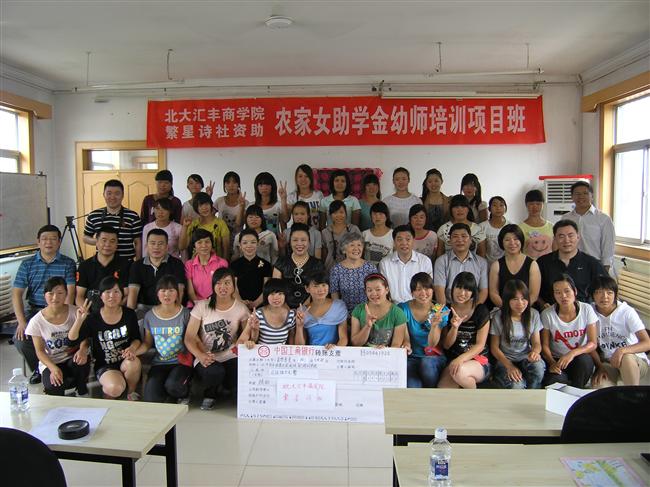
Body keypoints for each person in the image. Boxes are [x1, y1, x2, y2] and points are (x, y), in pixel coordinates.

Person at [12, 224, 76, 384]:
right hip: (36, 311)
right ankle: (39, 369)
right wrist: (21, 322)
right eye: (44, 239)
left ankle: (64, 368)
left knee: (68, 336)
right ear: (38, 242)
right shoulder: (27, 264)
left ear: (59, 242)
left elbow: (70, 292)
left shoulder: (68, 263)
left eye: (53, 239)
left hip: (61, 309)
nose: (49, 242)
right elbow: (17, 294)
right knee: (21, 340)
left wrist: (66, 314)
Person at [184, 268, 249, 410]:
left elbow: (247, 335)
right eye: (218, 283)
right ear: (213, 285)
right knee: (215, 372)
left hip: (230, 355)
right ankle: (210, 394)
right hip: (205, 355)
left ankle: (225, 386)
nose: (223, 287)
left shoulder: (241, 308)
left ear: (233, 286)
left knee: (238, 383)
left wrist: (253, 330)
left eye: (227, 283)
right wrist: (200, 355)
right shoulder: (202, 306)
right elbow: (189, 337)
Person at [69, 276, 142, 400]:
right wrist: (79, 320)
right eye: (107, 292)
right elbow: (72, 340)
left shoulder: (129, 314)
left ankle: (131, 393)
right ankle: (110, 393)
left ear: (122, 295)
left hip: (126, 360)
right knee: (114, 388)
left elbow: (136, 338)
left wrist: (132, 348)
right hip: (105, 365)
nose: (112, 296)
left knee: (134, 364)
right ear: (101, 296)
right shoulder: (93, 318)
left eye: (116, 292)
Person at [25, 277, 90, 396]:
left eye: (60, 293)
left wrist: (83, 349)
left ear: (66, 294)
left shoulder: (75, 312)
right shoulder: (36, 321)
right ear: (44, 295)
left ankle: (82, 390)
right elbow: (39, 351)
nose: (55, 297)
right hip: (52, 361)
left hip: (72, 357)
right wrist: (52, 368)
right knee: (53, 385)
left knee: (81, 363)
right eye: (51, 293)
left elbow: (85, 337)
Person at [136, 275, 193, 403]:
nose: (167, 294)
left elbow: (191, 340)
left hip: (181, 362)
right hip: (159, 363)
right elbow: (147, 343)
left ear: (177, 294)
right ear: (157, 293)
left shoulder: (185, 314)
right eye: (163, 290)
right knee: (151, 398)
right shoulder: (150, 316)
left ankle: (184, 391)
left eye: (171, 290)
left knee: (174, 386)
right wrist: (134, 352)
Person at [590, 275, 650, 387]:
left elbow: (647, 343)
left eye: (609, 293)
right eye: (599, 292)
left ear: (615, 295)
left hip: (634, 360)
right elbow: (589, 343)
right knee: (600, 386)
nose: (605, 297)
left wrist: (621, 351)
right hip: (608, 363)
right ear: (592, 295)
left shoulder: (627, 312)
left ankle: (633, 395)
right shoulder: (589, 311)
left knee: (626, 357)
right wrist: (600, 366)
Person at [541, 274, 598, 388]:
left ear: (575, 291)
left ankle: (577, 391)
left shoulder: (586, 309)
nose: (563, 296)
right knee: (555, 381)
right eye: (558, 292)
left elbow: (592, 343)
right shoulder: (547, 314)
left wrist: (572, 353)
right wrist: (552, 363)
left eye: (567, 291)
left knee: (584, 361)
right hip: (557, 360)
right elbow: (545, 345)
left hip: (579, 357)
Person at [437, 272, 491, 388]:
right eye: (458, 287)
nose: (462, 293)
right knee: (442, 390)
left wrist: (460, 359)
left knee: (460, 372)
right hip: (454, 360)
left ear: (473, 292)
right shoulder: (447, 310)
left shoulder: (480, 310)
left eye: (467, 289)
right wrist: (454, 327)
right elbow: (446, 345)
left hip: (478, 360)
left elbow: (480, 345)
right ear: (453, 288)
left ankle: (473, 399)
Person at [537, 219, 606, 307]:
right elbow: (533, 290)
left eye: (570, 235)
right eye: (561, 236)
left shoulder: (592, 263)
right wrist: (543, 305)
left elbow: (606, 288)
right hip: (551, 311)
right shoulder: (542, 262)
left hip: (583, 311)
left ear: (578, 237)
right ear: (554, 239)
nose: (566, 240)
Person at [489, 280, 545, 389]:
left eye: (523, 298)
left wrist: (535, 352)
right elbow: (494, 348)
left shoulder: (534, 314)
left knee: (538, 369)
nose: (520, 303)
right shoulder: (498, 317)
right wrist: (509, 366)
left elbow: (537, 343)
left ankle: (532, 393)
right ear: (507, 300)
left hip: (526, 357)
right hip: (505, 359)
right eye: (515, 299)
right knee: (517, 385)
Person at [399, 273, 449, 388]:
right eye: (418, 289)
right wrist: (406, 346)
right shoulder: (403, 309)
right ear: (412, 292)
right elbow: (406, 339)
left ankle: (431, 392)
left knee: (426, 364)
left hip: (433, 359)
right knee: (413, 386)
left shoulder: (440, 310)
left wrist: (434, 326)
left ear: (432, 290)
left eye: (427, 288)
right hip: (412, 358)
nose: (423, 293)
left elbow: (432, 344)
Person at [127, 229, 186, 314]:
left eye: (160, 244)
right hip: (144, 309)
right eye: (152, 243)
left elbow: (179, 291)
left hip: (168, 307)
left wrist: (175, 314)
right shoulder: (137, 265)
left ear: (167, 246)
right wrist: (130, 315)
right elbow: (133, 293)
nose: (156, 247)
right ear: (147, 245)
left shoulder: (177, 264)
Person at [83, 179, 142, 260]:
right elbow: (85, 237)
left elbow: (138, 242)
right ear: (103, 194)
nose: (112, 197)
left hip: (127, 262)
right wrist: (100, 241)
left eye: (117, 193)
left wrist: (138, 264)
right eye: (109, 193)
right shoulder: (94, 215)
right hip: (102, 263)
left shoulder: (133, 216)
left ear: (122, 195)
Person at [76, 225, 130, 313]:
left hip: (116, 312)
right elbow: (79, 296)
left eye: (112, 241)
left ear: (117, 244)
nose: (107, 244)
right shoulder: (84, 266)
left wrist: (113, 312)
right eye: (104, 240)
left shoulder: (126, 265)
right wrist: (88, 315)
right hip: (90, 313)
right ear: (96, 242)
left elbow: (127, 295)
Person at [564, 181, 615, 273]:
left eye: (585, 193)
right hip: (570, 264)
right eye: (577, 194)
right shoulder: (565, 218)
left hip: (594, 265)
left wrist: (605, 271)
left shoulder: (604, 219)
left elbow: (608, 247)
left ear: (592, 196)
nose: (581, 197)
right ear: (572, 197)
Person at [433, 223, 489, 306]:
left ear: (470, 240)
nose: (460, 240)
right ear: (450, 240)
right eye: (455, 236)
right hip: (448, 306)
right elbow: (439, 290)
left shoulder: (482, 262)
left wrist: (473, 309)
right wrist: (444, 311)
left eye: (464, 236)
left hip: (473, 307)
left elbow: (483, 291)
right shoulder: (441, 261)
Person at [272, 223, 325, 309]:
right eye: (295, 240)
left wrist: (304, 309)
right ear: (290, 242)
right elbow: (275, 289)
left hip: (311, 308)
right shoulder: (281, 262)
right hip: (283, 308)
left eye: (303, 240)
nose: (299, 243)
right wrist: (287, 310)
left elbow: (320, 291)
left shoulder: (317, 264)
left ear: (309, 242)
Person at [379, 225, 433, 304]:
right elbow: (383, 290)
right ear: (394, 242)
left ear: (413, 240)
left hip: (418, 305)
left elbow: (428, 289)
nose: (404, 243)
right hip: (394, 306)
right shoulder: (385, 263)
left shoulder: (425, 261)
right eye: (399, 240)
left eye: (408, 239)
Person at [350, 273, 407, 348]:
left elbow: (396, 345)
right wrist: (367, 326)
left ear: (387, 290)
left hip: (387, 355)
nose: (374, 293)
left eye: (378, 289)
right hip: (362, 354)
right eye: (369, 290)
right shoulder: (358, 310)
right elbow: (355, 343)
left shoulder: (398, 313)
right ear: (365, 292)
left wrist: (385, 351)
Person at [295, 272, 348, 347]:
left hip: (334, 352)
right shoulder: (302, 311)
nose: (321, 290)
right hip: (313, 353)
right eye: (316, 286)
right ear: (307, 289)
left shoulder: (339, 306)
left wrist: (335, 349)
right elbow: (299, 346)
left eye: (324, 285)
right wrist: (299, 326)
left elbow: (344, 338)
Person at [329, 232, 378, 314]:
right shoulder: (336, 269)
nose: (356, 248)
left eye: (359, 245)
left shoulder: (370, 267)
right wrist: (339, 313)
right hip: (344, 312)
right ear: (344, 250)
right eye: (352, 245)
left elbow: (376, 292)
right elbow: (334, 293)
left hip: (367, 311)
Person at [238, 279, 297, 346]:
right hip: (262, 351)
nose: (276, 298)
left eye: (280, 294)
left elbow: (292, 339)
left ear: (285, 295)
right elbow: (242, 340)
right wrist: (248, 341)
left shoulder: (291, 315)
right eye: (272, 294)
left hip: (281, 352)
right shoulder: (257, 314)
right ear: (266, 296)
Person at [179, 192, 230, 260]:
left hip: (216, 263)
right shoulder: (193, 224)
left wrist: (224, 264)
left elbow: (226, 248)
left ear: (211, 205)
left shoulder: (220, 223)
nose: (204, 208)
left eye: (206, 204)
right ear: (196, 208)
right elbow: (182, 247)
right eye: (200, 206)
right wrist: (185, 227)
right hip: (196, 263)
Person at [231, 228, 273, 310]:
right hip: (239, 306)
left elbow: (267, 288)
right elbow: (233, 288)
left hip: (261, 306)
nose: (249, 246)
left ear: (258, 244)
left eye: (253, 242)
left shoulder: (266, 265)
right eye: (245, 243)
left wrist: (255, 303)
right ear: (240, 245)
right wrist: (241, 302)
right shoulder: (234, 265)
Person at [184, 229, 228, 307]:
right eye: (199, 242)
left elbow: (224, 288)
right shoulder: (189, 265)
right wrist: (200, 307)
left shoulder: (222, 263)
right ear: (194, 246)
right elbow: (191, 292)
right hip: (195, 305)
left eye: (207, 242)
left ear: (212, 244)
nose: (204, 245)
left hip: (217, 304)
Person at [321, 200, 361, 272]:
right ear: (330, 215)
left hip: (351, 270)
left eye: (341, 212)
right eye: (335, 213)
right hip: (330, 270)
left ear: (346, 213)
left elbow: (360, 250)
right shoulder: (325, 232)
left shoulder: (353, 229)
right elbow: (324, 253)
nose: (338, 215)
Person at [281, 164, 323, 229]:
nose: (303, 179)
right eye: (300, 176)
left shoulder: (318, 194)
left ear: (311, 178)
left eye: (306, 176)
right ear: (296, 179)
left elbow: (322, 218)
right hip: (297, 233)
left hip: (315, 233)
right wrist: (283, 199)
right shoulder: (292, 196)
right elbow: (286, 219)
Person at [518, 189, 555, 259]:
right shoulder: (519, 228)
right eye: (531, 204)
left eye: (538, 204)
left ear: (543, 205)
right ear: (526, 205)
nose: (535, 207)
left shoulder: (552, 226)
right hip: (528, 265)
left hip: (548, 265)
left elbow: (555, 250)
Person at [214, 171, 247, 247]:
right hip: (221, 241)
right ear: (224, 185)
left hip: (238, 242)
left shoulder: (245, 202)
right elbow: (208, 216)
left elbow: (240, 224)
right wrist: (208, 196)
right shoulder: (219, 201)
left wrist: (241, 207)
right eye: (228, 182)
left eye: (234, 182)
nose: (231, 185)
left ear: (238, 184)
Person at [479, 196, 510, 266]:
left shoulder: (510, 226)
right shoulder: (482, 227)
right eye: (494, 205)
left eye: (501, 205)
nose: (498, 208)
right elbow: (481, 252)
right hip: (488, 266)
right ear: (489, 209)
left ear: (505, 208)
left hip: (507, 265)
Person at [362, 201, 394, 266]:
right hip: (368, 270)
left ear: (386, 216)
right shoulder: (364, 234)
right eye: (374, 214)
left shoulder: (393, 234)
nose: (377, 216)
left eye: (380, 214)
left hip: (387, 270)